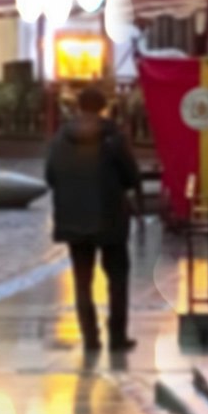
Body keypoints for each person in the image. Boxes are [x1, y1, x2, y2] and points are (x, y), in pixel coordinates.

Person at [44, 86, 144, 354]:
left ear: (78, 106)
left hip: (73, 219)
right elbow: (131, 176)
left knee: (82, 280)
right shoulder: (113, 137)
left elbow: (50, 176)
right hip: (110, 217)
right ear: (103, 107)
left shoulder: (61, 138)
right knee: (117, 279)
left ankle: (90, 338)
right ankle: (117, 336)